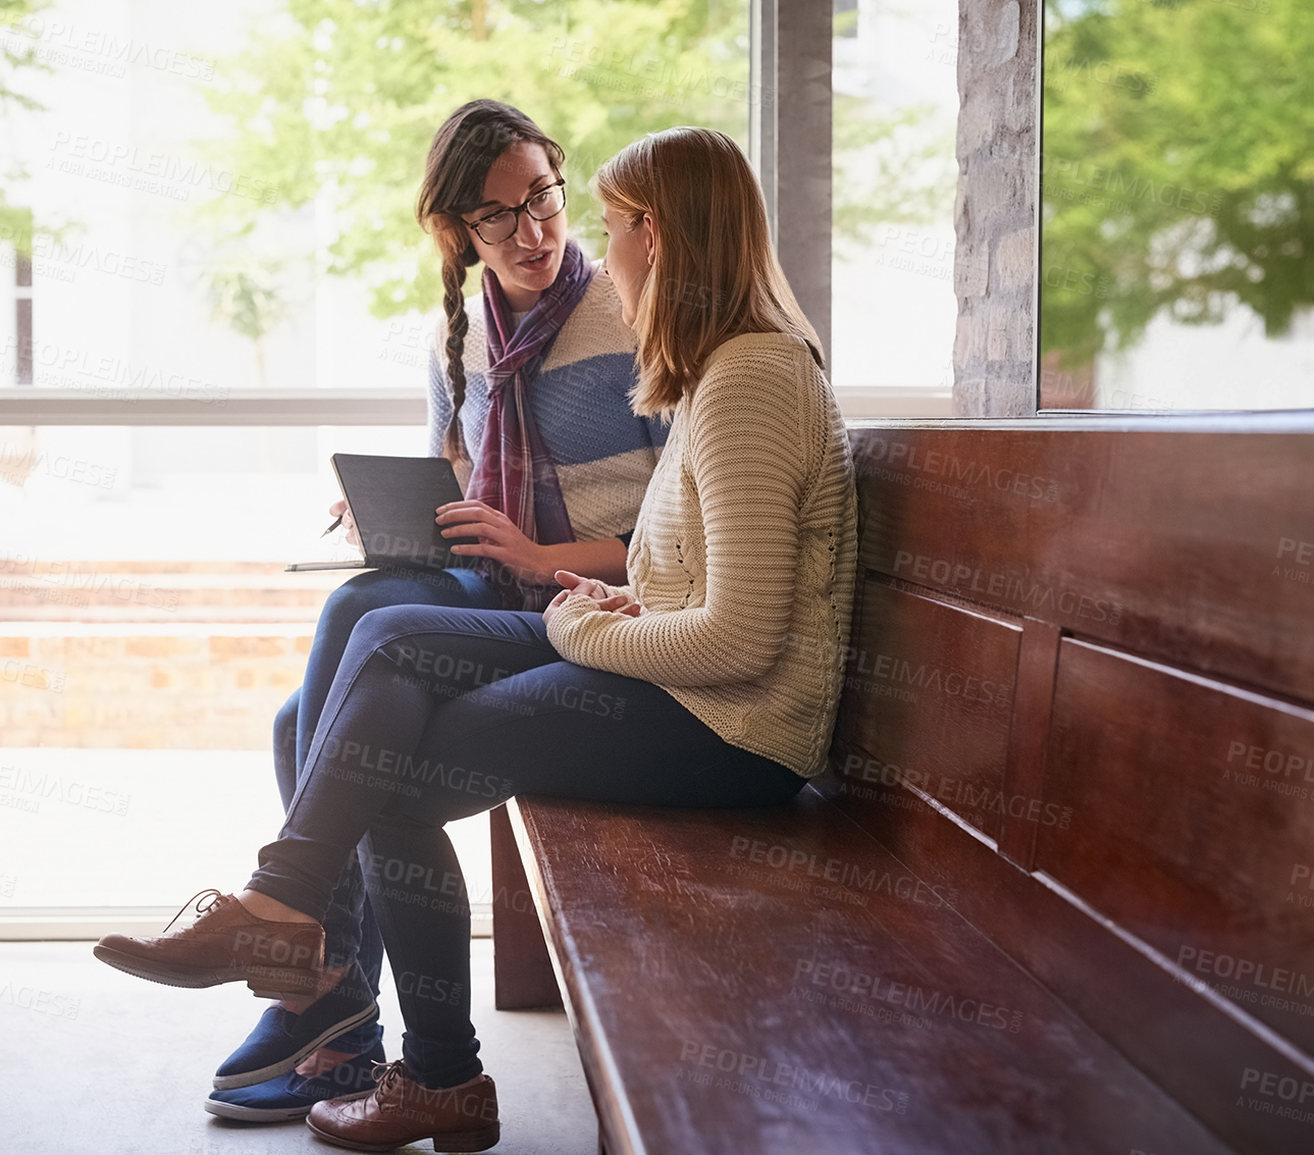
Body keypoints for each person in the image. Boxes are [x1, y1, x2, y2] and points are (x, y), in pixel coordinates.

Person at [95, 125, 858, 1153]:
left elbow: (744, 641)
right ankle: (327, 957)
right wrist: (614, 609)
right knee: (384, 646)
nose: (587, 245)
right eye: (509, 213)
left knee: (385, 749)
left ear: (656, 235)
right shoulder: (726, 374)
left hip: (732, 731)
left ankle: (361, 995)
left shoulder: (750, 382)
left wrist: (583, 620)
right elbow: (702, 591)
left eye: (600, 223)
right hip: (682, 686)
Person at [200, 99, 667, 1123]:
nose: (531, 231)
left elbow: (682, 536)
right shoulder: (456, 337)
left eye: (541, 197)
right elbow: (460, 483)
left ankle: (325, 991)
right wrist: (392, 516)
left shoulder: (632, 313)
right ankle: (332, 990)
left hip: (592, 595)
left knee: (317, 717)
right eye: (496, 216)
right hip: (488, 581)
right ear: (458, 230)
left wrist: (543, 554)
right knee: (354, 618)